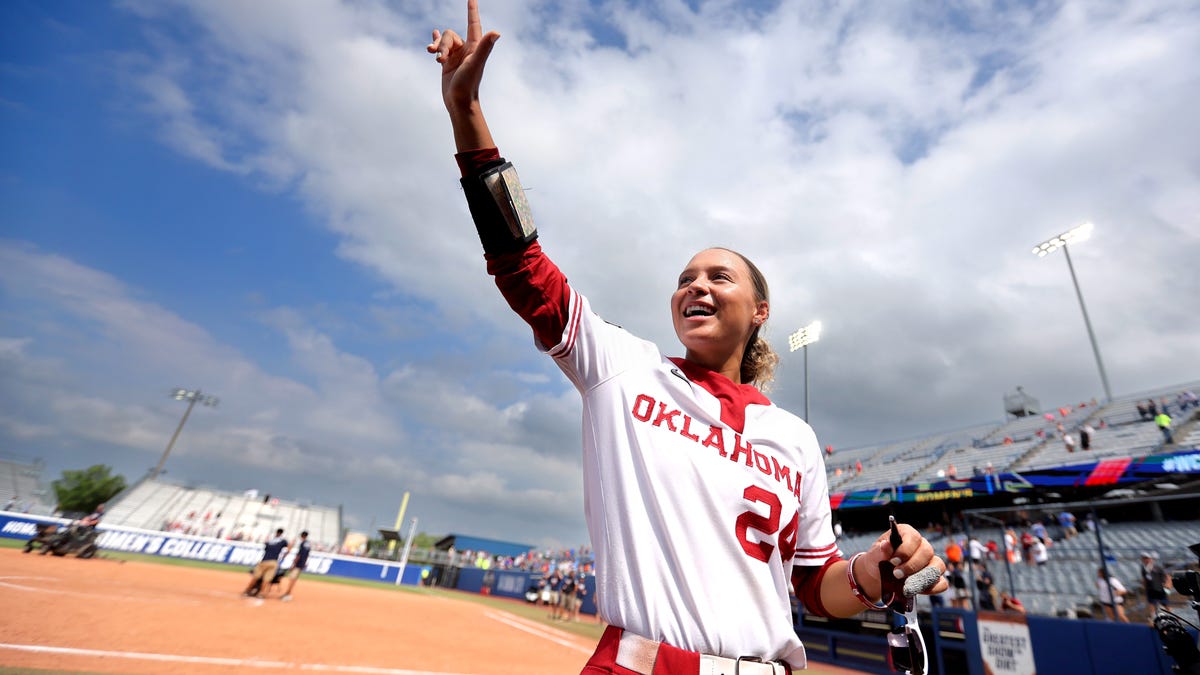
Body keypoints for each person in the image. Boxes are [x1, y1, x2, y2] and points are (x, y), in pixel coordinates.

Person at [428, 4, 948, 670]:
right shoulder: (624, 369)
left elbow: (818, 587)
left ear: (760, 309)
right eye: (684, 278)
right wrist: (467, 114)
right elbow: (523, 267)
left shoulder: (795, 440)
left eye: (718, 276)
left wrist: (876, 569)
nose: (695, 285)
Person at [243, 528, 288, 598]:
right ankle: (260, 594)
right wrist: (285, 555)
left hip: (264, 561)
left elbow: (266, 548)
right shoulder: (283, 541)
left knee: (255, 577)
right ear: (282, 533)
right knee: (266, 579)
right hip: (273, 562)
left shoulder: (269, 541)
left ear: (276, 532)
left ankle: (247, 591)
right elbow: (288, 546)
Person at [280, 530, 311, 602]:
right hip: (302, 564)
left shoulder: (303, 543)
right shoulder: (308, 544)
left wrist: (293, 564)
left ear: (302, 536)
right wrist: (304, 563)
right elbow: (307, 555)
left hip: (298, 564)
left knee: (292, 579)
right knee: (294, 579)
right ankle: (288, 593)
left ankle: (287, 594)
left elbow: (299, 555)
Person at [1139, 552, 1170, 617]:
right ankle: (1153, 617)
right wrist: (1145, 587)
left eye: (1147, 558)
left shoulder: (1157, 567)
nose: (1145, 560)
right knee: (1151, 603)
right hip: (1150, 589)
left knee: (1165, 603)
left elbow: (1167, 576)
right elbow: (1144, 579)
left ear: (1151, 559)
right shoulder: (1144, 568)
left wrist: (1167, 584)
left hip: (1160, 588)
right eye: (1144, 558)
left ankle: (1172, 616)